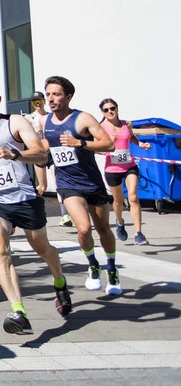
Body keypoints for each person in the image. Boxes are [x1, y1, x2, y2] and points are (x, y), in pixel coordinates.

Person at [0, 83, 72, 335]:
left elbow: (41, 155)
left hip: (24, 197)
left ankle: (60, 283)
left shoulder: (15, 122)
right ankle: (19, 312)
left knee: (42, 247)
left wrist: (14, 154)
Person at [40, 76, 120, 295]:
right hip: (67, 184)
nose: (51, 99)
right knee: (83, 228)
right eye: (48, 94)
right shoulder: (45, 121)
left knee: (103, 229)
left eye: (56, 94)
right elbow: (46, 146)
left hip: (92, 183)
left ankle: (111, 267)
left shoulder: (83, 118)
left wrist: (80, 143)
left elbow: (108, 144)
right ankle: (93, 263)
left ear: (68, 96)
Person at [99, 98, 152, 245]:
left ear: (117, 109)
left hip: (129, 166)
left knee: (133, 197)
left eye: (112, 108)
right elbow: (96, 148)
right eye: (106, 110)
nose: (110, 111)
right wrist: (108, 141)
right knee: (119, 201)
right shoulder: (101, 127)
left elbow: (131, 137)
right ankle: (120, 222)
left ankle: (138, 234)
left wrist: (141, 144)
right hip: (112, 169)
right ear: (102, 112)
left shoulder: (126, 124)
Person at [29, 91, 70, 226]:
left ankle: (65, 215)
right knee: (42, 186)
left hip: (52, 152)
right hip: (39, 154)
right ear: (32, 104)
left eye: (40, 101)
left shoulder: (50, 117)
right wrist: (35, 133)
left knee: (58, 183)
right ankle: (36, 209)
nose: (38, 104)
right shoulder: (29, 118)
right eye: (35, 102)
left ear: (44, 102)